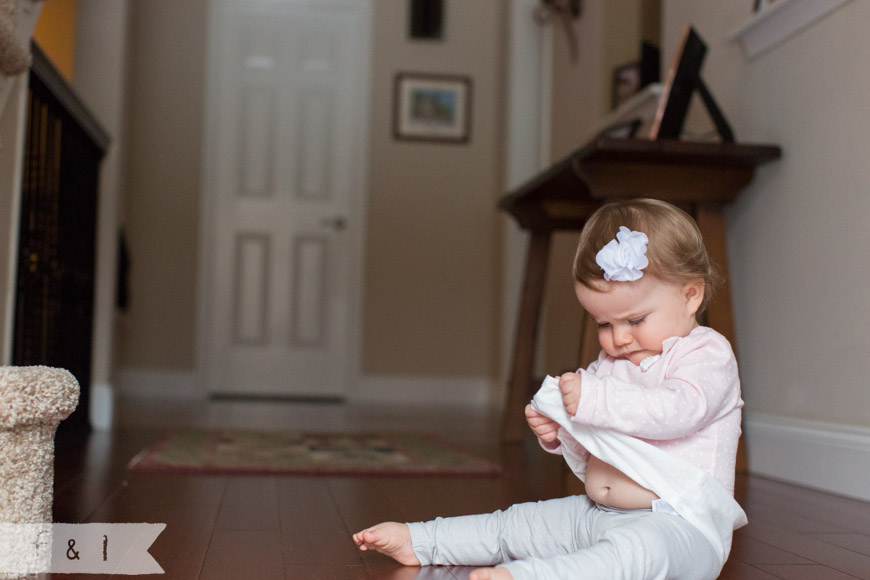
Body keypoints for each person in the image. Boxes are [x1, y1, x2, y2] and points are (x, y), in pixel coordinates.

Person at [353, 198, 746, 580]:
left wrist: (593, 399)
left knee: (631, 557)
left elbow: (678, 412)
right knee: (517, 524)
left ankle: (532, 575)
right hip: (595, 514)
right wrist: (562, 433)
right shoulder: (611, 365)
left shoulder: (706, 354)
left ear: (690, 295)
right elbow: (601, 441)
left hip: (678, 527)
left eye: (635, 319)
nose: (619, 338)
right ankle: (423, 542)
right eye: (604, 324)